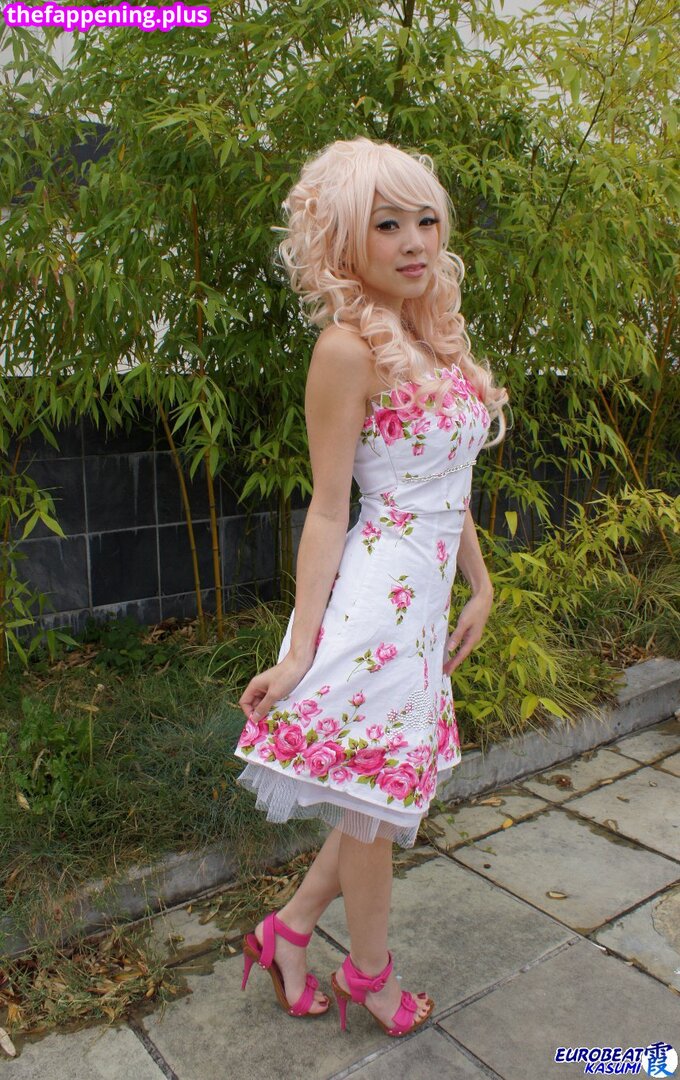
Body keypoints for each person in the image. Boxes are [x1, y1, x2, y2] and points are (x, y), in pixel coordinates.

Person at [235, 135, 510, 1037]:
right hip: (374, 612)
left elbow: (446, 486)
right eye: (386, 225)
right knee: (376, 805)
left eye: (425, 219)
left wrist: (480, 585)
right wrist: (301, 649)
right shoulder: (346, 350)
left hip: (424, 610)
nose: (414, 241)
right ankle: (371, 976)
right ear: (344, 241)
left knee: (374, 803)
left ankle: (288, 932)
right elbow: (327, 509)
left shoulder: (433, 337)